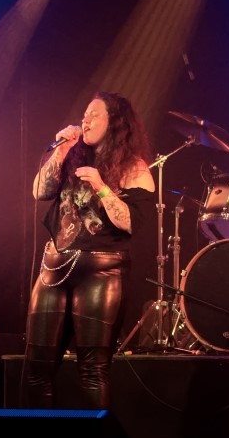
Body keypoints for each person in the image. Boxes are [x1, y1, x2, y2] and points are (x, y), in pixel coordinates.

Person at [23, 91, 155, 409]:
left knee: (92, 372)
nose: (86, 120)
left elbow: (130, 223)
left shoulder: (134, 168)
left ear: (115, 123)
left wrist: (101, 187)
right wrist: (61, 151)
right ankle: (37, 437)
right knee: (37, 370)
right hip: (55, 268)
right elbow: (39, 191)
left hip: (101, 271)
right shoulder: (71, 157)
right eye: (84, 115)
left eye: (94, 115)